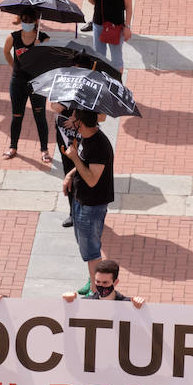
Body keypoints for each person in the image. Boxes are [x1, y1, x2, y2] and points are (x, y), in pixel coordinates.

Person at [63, 108, 114, 295]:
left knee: (91, 250)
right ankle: (92, 280)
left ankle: (97, 291)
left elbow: (92, 179)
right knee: (85, 246)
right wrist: (70, 174)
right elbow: (85, 164)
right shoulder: (87, 137)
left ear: (80, 123)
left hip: (92, 205)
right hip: (81, 200)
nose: (70, 120)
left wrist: (74, 157)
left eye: (73, 117)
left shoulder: (98, 144)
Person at [4, 8, 50, 161]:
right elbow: (6, 52)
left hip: (37, 83)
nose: (27, 23)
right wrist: (14, 67)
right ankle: (13, 146)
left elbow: (46, 61)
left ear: (36, 21)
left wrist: (38, 48)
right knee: (17, 115)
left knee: (40, 116)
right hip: (18, 82)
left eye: (30, 21)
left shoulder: (43, 38)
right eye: (24, 20)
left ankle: (44, 149)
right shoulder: (13, 37)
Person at [85, 0, 133, 70]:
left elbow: (128, 6)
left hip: (115, 26)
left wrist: (127, 26)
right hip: (98, 23)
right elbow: (94, 2)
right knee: (99, 58)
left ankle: (117, 84)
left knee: (116, 61)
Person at [61, 259, 146, 305]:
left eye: (105, 283)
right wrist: (71, 302)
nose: (100, 285)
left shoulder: (128, 304)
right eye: (98, 281)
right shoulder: (86, 303)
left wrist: (140, 307)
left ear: (115, 282)